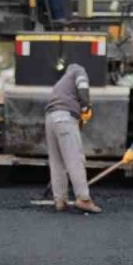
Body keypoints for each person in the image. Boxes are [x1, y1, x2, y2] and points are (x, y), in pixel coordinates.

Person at [44, 62, 101, 214]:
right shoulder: (78, 70)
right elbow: (82, 86)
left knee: (57, 162)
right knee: (75, 158)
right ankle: (83, 199)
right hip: (64, 117)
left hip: (50, 118)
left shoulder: (60, 83)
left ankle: (60, 200)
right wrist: (85, 106)